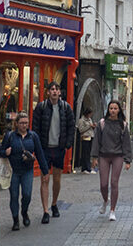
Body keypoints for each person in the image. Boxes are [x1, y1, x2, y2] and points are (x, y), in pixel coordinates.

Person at [32, 82, 75, 224]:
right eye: (52, 89)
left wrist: (67, 144)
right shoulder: (41, 107)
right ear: (48, 92)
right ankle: (45, 211)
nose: (55, 92)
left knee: (57, 179)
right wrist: (36, 146)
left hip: (59, 148)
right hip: (44, 148)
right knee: (45, 178)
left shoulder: (66, 108)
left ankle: (54, 203)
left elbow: (71, 127)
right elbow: (35, 127)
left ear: (60, 92)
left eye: (56, 89)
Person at [1, 112, 49, 230]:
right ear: (16, 124)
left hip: (27, 170)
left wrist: (45, 171)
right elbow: (1, 152)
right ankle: (16, 219)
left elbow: (39, 153)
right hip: (13, 171)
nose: (24, 125)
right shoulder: (10, 136)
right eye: (22, 123)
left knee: (27, 195)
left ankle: (24, 212)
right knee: (14, 196)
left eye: (26, 123)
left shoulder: (33, 136)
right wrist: (5, 152)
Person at [90, 100, 133, 221]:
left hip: (117, 156)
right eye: (111, 108)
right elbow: (97, 141)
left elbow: (126, 143)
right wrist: (94, 157)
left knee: (114, 182)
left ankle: (112, 210)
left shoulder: (122, 125)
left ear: (119, 110)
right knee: (103, 184)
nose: (113, 111)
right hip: (103, 155)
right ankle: (105, 200)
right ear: (108, 110)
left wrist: (128, 160)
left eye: (115, 108)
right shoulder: (102, 123)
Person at [76, 109, 97, 174]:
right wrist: (89, 126)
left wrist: (93, 126)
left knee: (88, 153)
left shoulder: (90, 119)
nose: (90, 115)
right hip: (85, 137)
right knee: (85, 153)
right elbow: (81, 130)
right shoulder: (81, 120)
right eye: (90, 114)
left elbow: (91, 128)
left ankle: (88, 167)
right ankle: (85, 168)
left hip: (90, 136)